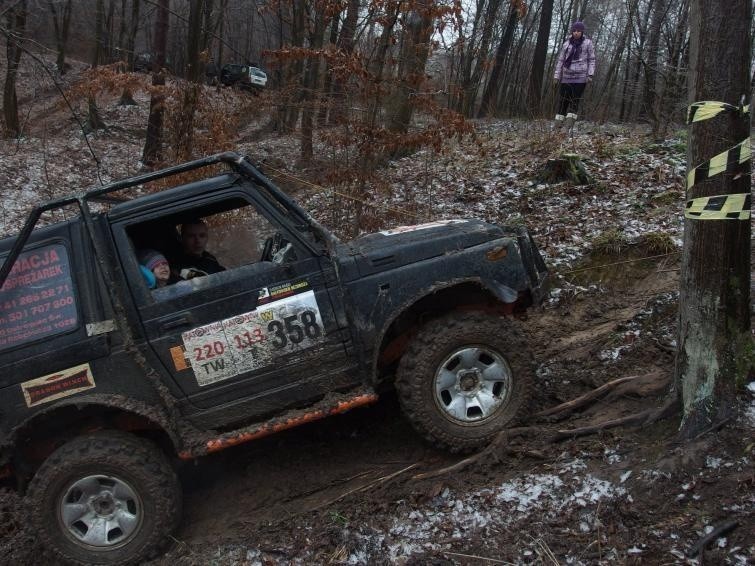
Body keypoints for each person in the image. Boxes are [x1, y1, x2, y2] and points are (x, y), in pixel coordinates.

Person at [553, 21, 596, 132]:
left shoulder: (588, 43)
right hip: (566, 76)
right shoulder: (566, 44)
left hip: (581, 77)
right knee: (563, 101)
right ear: (572, 31)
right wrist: (556, 76)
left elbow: (591, 59)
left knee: (575, 101)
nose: (576, 33)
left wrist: (590, 74)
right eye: (574, 31)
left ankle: (567, 127)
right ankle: (557, 126)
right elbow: (561, 60)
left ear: (582, 32)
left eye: (578, 31)